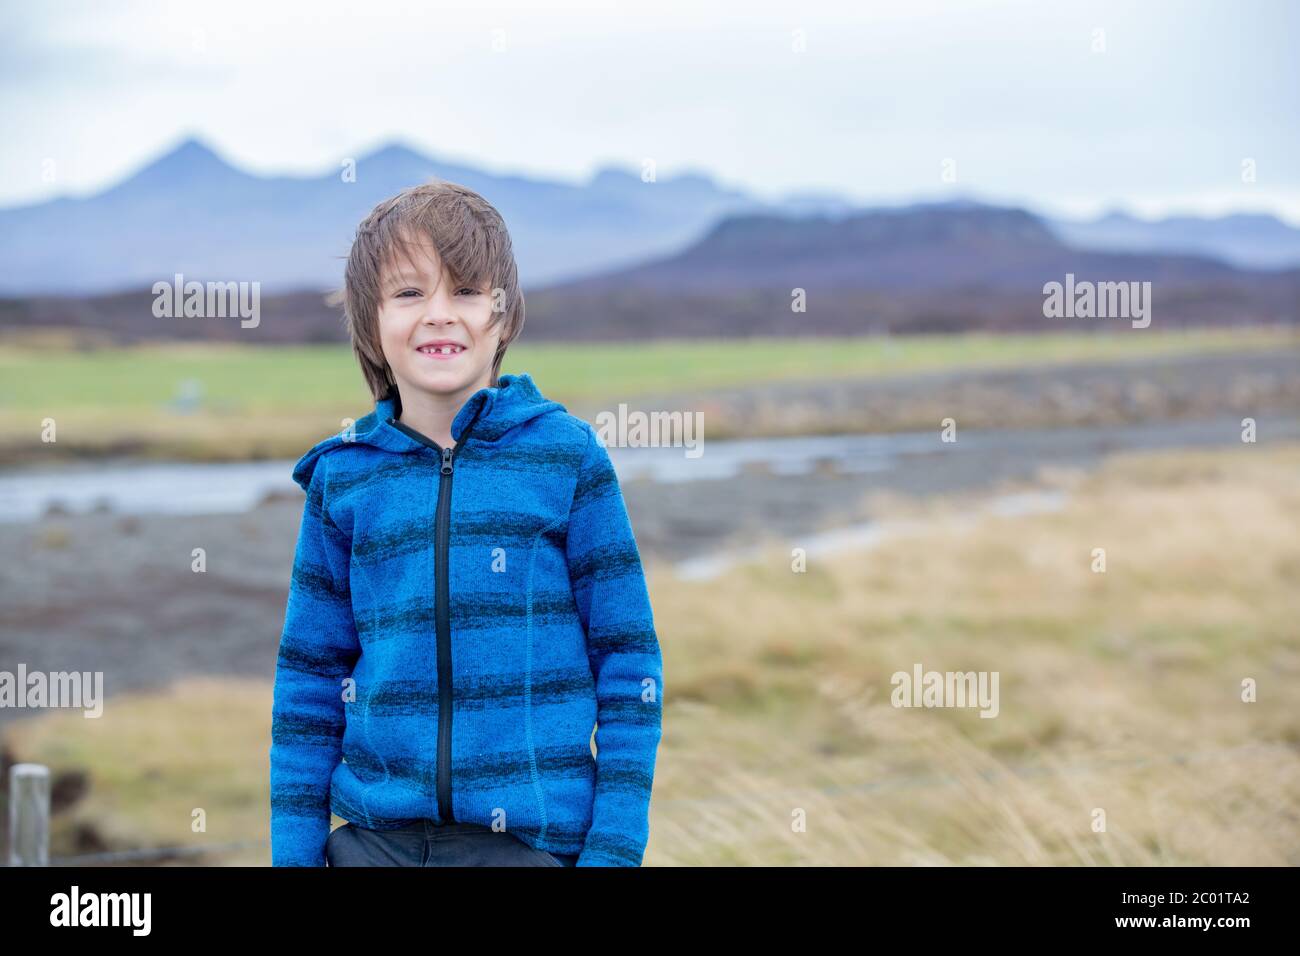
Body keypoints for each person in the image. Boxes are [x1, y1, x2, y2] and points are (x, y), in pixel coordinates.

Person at [269, 181, 663, 866]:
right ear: (371, 324)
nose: (439, 315)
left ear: (503, 318)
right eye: (409, 293)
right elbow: (308, 683)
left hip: (528, 848)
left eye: (467, 292)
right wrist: (295, 857)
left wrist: (613, 854)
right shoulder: (343, 479)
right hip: (372, 848)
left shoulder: (566, 458)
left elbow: (629, 668)